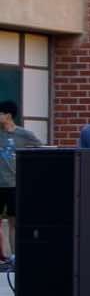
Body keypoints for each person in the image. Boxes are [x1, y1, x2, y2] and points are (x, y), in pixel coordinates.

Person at [0, 99, 44, 268]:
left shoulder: (24, 134)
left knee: (14, 222)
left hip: (14, 183)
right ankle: (3, 256)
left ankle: (14, 257)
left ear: (8, 115)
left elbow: (40, 149)